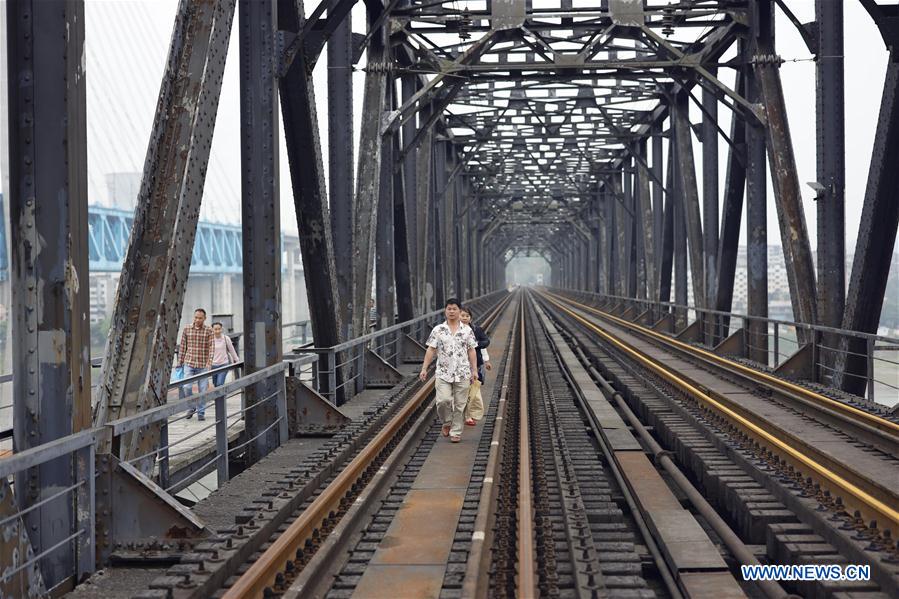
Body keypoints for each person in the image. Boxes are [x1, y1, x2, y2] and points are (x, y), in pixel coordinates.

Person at [419, 298, 478, 443]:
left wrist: (474, 370)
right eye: (449, 309)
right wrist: (424, 368)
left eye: (454, 309)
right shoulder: (438, 330)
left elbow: (471, 350)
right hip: (443, 372)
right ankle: (446, 422)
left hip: (462, 372)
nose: (451, 311)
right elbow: (431, 349)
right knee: (443, 401)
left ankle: (456, 431)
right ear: (445, 311)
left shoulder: (467, 330)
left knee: (460, 404)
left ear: (459, 311)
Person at [179, 308, 214, 420]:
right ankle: (192, 406)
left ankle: (201, 413)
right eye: (196, 317)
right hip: (189, 363)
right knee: (186, 387)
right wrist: (180, 361)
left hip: (203, 365)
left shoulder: (209, 330)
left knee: (202, 390)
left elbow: (212, 347)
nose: (197, 320)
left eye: (200, 318)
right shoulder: (187, 328)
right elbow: (183, 346)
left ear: (205, 318)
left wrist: (209, 362)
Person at [459, 307, 490, 427]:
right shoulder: (452, 330)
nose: (464, 318)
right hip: (458, 365)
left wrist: (476, 345)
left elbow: (485, 343)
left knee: (472, 390)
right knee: (460, 390)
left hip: (474, 365)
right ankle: (461, 414)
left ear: (470, 318)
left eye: (467, 316)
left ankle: (468, 415)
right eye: (462, 315)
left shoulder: (477, 330)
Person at [211, 322, 239, 387]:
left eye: (219, 329)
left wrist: (237, 360)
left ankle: (220, 393)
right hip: (213, 365)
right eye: (215, 329)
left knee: (220, 383)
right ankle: (220, 394)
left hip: (224, 364)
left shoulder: (226, 338)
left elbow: (232, 350)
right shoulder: (210, 339)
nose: (217, 331)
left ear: (222, 329)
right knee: (215, 384)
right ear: (212, 329)